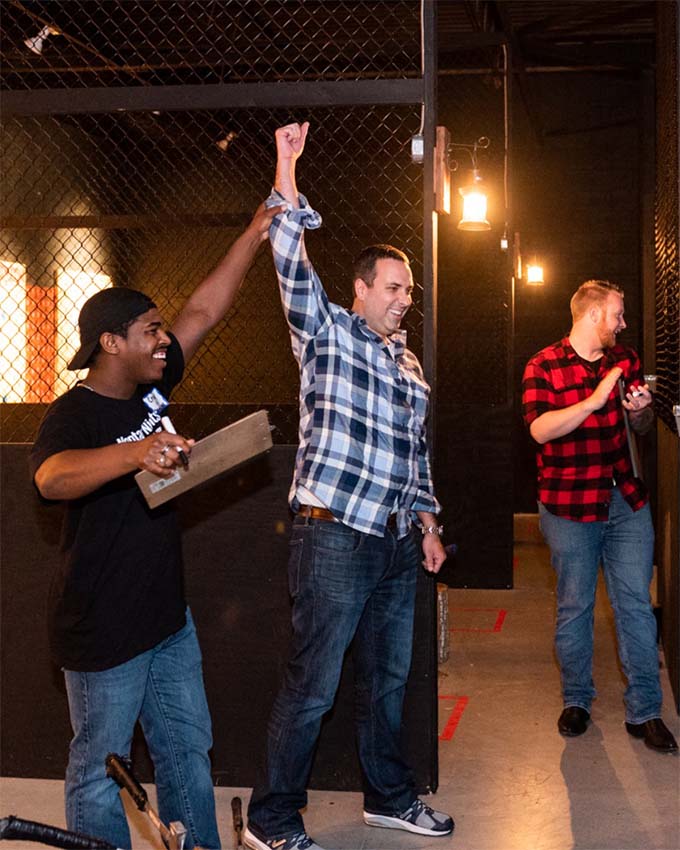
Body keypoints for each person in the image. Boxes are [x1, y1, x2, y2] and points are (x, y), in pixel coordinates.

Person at [29, 202, 282, 850]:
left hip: (167, 622)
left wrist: (256, 231)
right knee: (100, 771)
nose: (165, 340)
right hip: (103, 630)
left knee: (187, 750)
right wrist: (134, 453)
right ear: (111, 343)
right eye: (150, 330)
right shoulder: (75, 413)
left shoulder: (150, 390)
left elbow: (203, 310)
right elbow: (51, 479)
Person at [243, 122, 453, 850]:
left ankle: (389, 799)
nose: (404, 298)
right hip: (332, 534)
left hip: (395, 543)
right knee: (313, 689)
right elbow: (287, 253)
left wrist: (427, 525)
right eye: (393, 287)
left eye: (410, 289)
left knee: (388, 683)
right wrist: (287, 165)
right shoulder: (327, 332)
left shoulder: (410, 367)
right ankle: (271, 820)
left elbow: (417, 458)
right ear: (361, 289)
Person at [522, 279, 678, 754]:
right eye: (618, 314)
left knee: (634, 604)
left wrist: (640, 412)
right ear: (593, 316)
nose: (623, 323)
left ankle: (646, 712)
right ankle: (577, 700)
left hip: (624, 501)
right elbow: (540, 430)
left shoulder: (624, 360)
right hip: (568, 505)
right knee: (576, 607)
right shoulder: (543, 365)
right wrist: (592, 401)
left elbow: (642, 428)